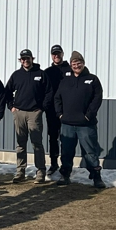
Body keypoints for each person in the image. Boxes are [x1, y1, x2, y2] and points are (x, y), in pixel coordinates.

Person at [54, 51, 105, 188]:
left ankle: (96, 177)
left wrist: (89, 115)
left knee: (90, 151)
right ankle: (65, 175)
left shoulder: (92, 79)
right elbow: (57, 98)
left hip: (86, 124)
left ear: (83, 63)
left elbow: (97, 99)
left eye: (79, 63)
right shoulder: (65, 80)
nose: (76, 65)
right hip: (67, 124)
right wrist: (60, 114)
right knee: (66, 152)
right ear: (70, 65)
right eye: (74, 63)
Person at [5, 49, 53, 184]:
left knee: (36, 143)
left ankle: (40, 172)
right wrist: (11, 107)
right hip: (19, 113)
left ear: (33, 58)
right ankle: (20, 172)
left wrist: (42, 108)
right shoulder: (16, 75)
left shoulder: (41, 74)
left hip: (34, 114)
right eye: (23, 59)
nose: (25, 61)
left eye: (28, 58)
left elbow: (49, 92)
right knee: (20, 144)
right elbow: (7, 92)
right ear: (20, 60)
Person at [44, 44, 71, 175]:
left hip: (67, 110)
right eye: (54, 54)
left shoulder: (70, 69)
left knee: (66, 137)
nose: (56, 56)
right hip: (51, 110)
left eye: (58, 53)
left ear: (62, 54)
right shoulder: (47, 72)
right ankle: (53, 163)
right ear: (51, 56)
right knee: (53, 137)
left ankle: (66, 165)